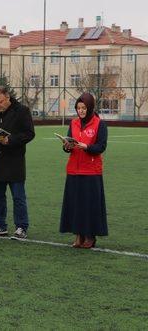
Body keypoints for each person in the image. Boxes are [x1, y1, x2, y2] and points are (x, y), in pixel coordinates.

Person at [0, 86, 35, 239]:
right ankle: (0, 225)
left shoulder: (22, 110)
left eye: (0, 102)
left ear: (8, 98)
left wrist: (10, 140)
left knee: (18, 196)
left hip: (14, 160)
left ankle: (21, 227)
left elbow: (29, 133)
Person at [60, 93, 108, 249]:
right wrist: (67, 146)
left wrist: (86, 147)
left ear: (90, 108)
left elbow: (101, 147)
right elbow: (68, 144)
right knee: (75, 204)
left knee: (89, 205)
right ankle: (78, 234)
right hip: (73, 170)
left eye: (84, 108)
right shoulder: (73, 123)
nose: (81, 111)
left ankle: (89, 236)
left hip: (91, 171)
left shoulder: (99, 124)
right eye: (78, 108)